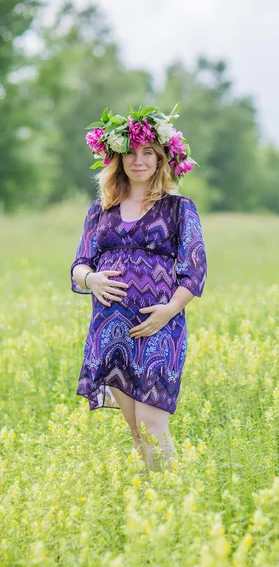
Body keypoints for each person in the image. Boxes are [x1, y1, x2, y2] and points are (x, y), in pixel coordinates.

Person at [70, 104, 207, 472]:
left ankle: (171, 501)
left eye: (148, 152)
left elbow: (194, 272)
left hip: (160, 326)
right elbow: (79, 266)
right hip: (111, 329)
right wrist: (92, 279)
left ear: (162, 159)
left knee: (152, 426)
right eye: (130, 152)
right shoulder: (101, 208)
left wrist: (168, 311)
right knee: (136, 430)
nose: (138, 160)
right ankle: (151, 503)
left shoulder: (179, 208)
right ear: (117, 158)